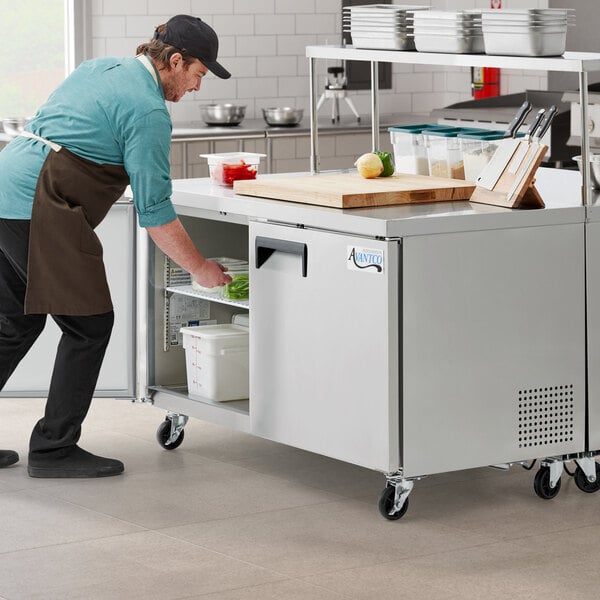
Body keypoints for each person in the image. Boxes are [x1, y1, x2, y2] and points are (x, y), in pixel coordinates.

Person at [0, 14, 232, 478]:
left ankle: (53, 444)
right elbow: (156, 213)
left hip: (6, 187)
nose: (196, 88)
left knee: (15, 324)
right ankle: (53, 450)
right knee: (90, 325)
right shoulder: (147, 111)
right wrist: (201, 268)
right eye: (198, 75)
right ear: (176, 61)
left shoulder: (100, 68)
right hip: (39, 205)